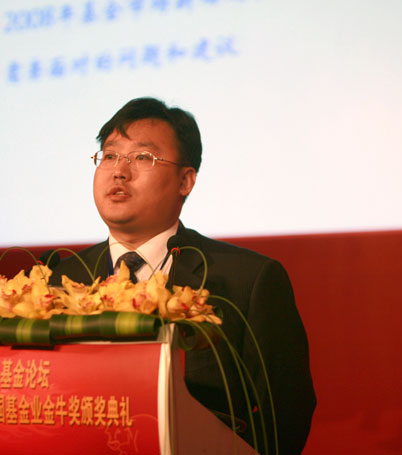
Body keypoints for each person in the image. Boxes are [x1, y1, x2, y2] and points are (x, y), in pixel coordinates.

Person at [49, 97, 316, 454]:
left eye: (142, 157)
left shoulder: (247, 280)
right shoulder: (60, 280)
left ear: (185, 180)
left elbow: (286, 413)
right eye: (109, 155)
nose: (119, 171)